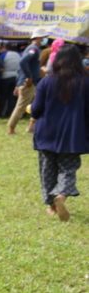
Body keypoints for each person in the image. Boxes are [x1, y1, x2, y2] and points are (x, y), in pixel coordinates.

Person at [30, 45, 89, 221]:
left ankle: (52, 206)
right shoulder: (86, 82)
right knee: (68, 169)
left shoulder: (46, 81)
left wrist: (30, 109)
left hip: (47, 133)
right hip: (73, 135)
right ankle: (62, 194)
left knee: (47, 170)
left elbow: (36, 110)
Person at [7, 29, 46, 135]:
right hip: (28, 82)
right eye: (42, 37)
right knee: (21, 106)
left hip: (28, 81)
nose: (44, 39)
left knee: (31, 104)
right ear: (38, 38)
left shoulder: (32, 48)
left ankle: (30, 127)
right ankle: (11, 128)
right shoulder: (33, 49)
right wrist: (29, 77)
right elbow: (23, 62)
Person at [0, 43, 20, 118]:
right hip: (16, 77)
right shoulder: (18, 55)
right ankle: (10, 113)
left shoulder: (4, 55)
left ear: (6, 48)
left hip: (5, 77)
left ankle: (1, 113)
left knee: (3, 96)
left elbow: (0, 65)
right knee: (12, 97)